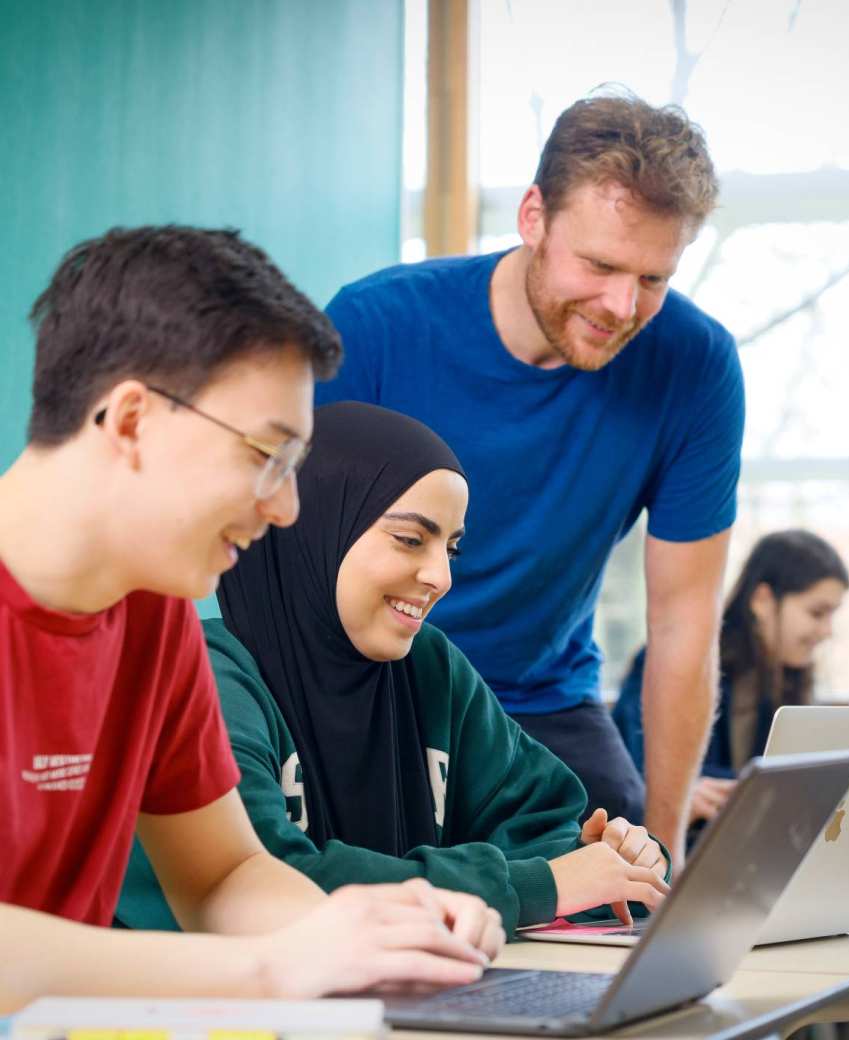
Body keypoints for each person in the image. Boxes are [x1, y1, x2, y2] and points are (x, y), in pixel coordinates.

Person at [0, 226, 504, 1014]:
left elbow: (222, 875)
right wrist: (272, 970)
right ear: (131, 420)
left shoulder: (152, 614)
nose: (287, 508)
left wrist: (364, 935)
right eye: (266, 456)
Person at [317, 87, 745, 866]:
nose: (622, 305)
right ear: (533, 218)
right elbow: (288, 561)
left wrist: (671, 845)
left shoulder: (695, 365)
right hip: (370, 687)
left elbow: (684, 622)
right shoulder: (374, 326)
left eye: (653, 279)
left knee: (630, 903)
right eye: (601, 265)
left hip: (543, 704)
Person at [117, 402, 670, 940]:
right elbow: (268, 884)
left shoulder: (428, 667)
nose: (440, 576)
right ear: (313, 531)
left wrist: (604, 861)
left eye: (451, 548)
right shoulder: (202, 678)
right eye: (410, 539)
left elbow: (545, 826)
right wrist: (534, 882)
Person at [613, 529, 849, 824]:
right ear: (763, 600)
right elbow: (634, 773)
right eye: (817, 613)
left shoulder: (787, 680)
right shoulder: (675, 664)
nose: (827, 631)